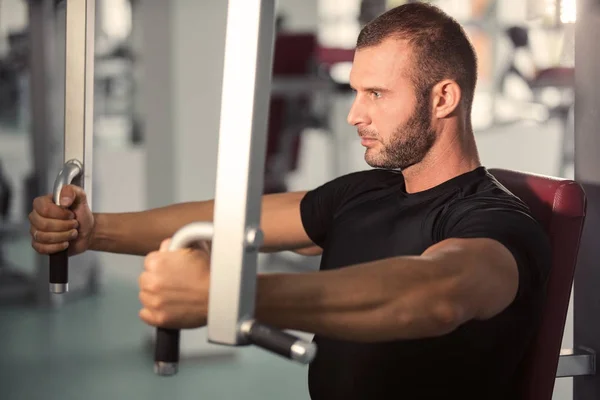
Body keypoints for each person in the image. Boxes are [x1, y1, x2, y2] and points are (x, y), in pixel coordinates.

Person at [29, 3, 551, 400]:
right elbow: (224, 221)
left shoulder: (495, 222)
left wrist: (230, 296)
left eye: (376, 94)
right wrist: (93, 232)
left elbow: (436, 294)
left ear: (443, 98)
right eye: (355, 92)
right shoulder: (365, 192)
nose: (354, 115)